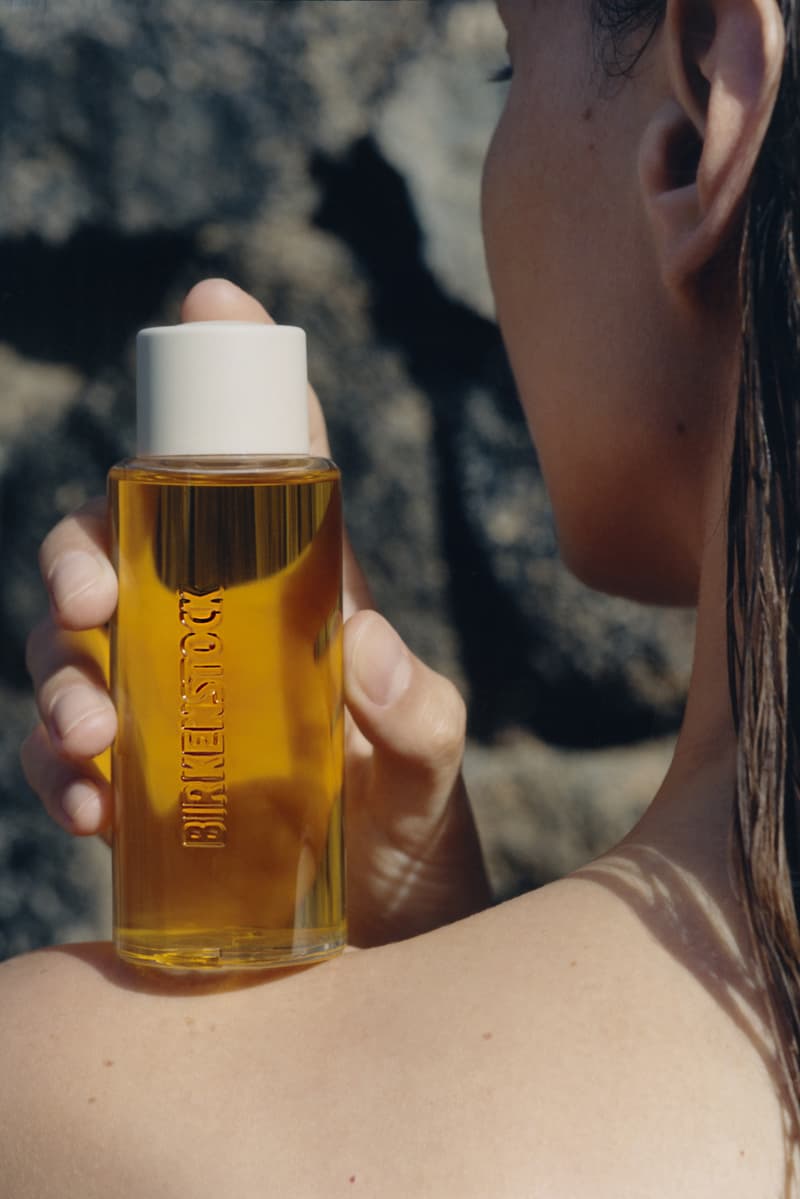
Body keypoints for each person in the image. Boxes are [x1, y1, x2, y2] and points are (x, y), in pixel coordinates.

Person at [2, 0, 799, 1193]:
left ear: (695, 114)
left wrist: (314, 1040)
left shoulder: (61, 1096)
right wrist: (402, 944)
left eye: (503, 66)